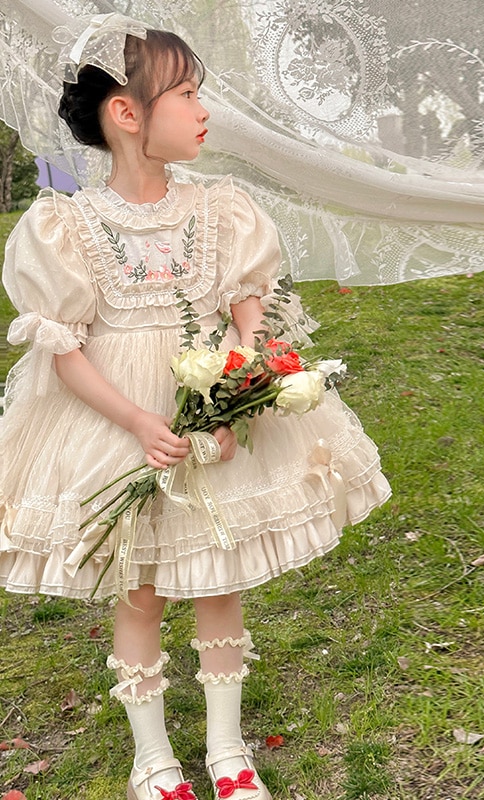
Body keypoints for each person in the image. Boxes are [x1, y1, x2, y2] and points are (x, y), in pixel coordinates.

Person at [0, 15, 391, 800]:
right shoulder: (65, 225)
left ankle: (226, 748)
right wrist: (140, 422)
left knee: (219, 577)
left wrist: (240, 383)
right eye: (185, 93)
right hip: (119, 422)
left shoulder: (221, 208)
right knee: (139, 586)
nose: (202, 109)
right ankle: (153, 757)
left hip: (213, 413)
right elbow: (63, 346)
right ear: (126, 113)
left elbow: (251, 306)